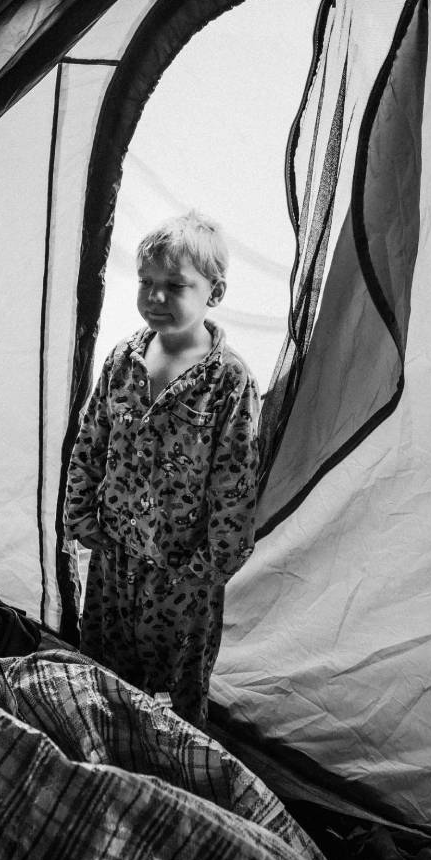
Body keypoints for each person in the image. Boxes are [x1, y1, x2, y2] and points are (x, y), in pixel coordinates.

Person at [63, 209, 262, 727]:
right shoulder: (123, 359)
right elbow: (91, 438)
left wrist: (205, 572)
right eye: (146, 283)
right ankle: (106, 751)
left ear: (213, 293)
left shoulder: (229, 381)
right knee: (104, 673)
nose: (155, 297)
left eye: (174, 286)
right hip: (115, 556)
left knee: (174, 692)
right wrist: (81, 515)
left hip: (182, 575)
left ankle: (174, 763)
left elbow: (235, 485)